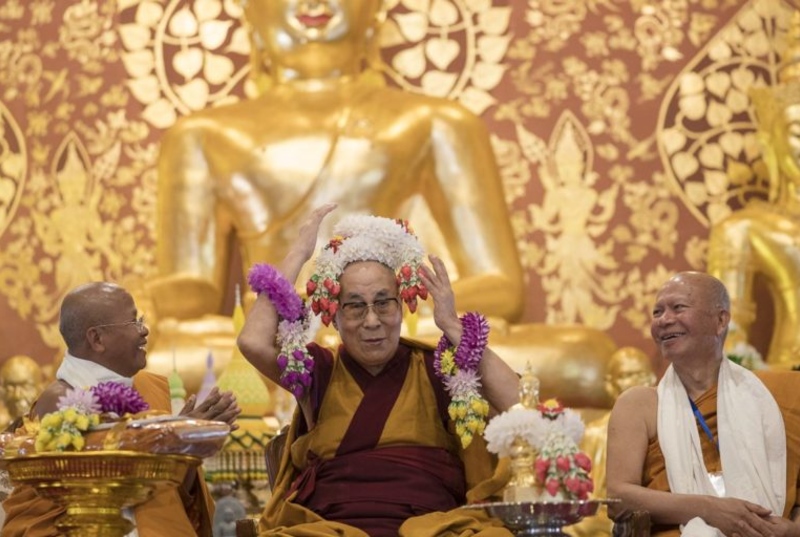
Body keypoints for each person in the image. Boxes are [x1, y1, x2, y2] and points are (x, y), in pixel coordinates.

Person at [144, 0, 525, 393]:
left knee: (579, 356)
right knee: (164, 357)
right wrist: (167, 298)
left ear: (373, 13)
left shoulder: (437, 123)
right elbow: (192, 287)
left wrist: (396, 309)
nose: (314, 3)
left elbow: (502, 286)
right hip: (278, 334)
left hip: (394, 324)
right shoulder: (201, 135)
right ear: (252, 13)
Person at [237, 204, 520, 536]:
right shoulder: (318, 371)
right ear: (335, 316)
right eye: (355, 306)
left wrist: (453, 327)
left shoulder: (435, 368)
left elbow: (521, 402)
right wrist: (299, 253)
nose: (372, 321)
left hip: (431, 530)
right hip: (334, 530)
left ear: (402, 308)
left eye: (384, 302)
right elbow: (253, 342)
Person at [1, 282, 242, 537]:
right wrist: (167, 440)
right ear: (97, 339)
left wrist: (187, 453)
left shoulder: (150, 388)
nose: (145, 330)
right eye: (133, 322)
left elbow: (175, 496)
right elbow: (97, 500)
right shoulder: (63, 401)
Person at [607, 272, 800, 536]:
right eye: (657, 312)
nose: (664, 320)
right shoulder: (639, 404)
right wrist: (709, 509)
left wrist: (792, 530)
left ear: (720, 320)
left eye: (678, 308)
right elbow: (618, 498)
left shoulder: (783, 394)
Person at [707, 13, 800, 367]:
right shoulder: (742, 230)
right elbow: (726, 333)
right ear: (771, 140)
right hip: (787, 377)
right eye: (797, 131)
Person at [572, 347, 655, 536]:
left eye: (639, 374)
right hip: (604, 516)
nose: (634, 381)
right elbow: (587, 497)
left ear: (652, 379)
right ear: (610, 384)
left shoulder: (665, 428)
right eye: (625, 375)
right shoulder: (594, 433)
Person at [0, 355, 44, 431]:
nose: (17, 395)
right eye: (11, 386)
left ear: (40, 390)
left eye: (25, 387)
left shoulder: (50, 427)